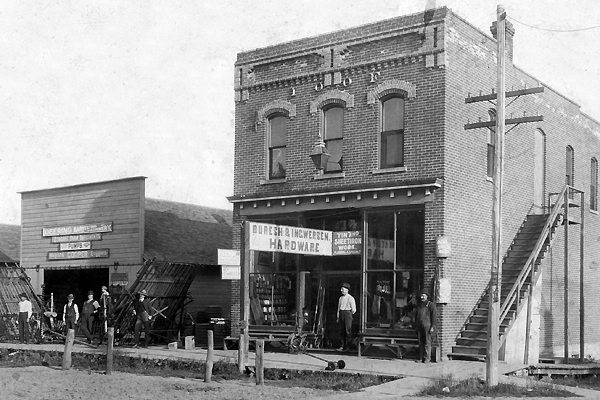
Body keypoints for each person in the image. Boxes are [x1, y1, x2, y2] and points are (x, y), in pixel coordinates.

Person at [415, 291, 437, 363]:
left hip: (427, 326)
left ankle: (427, 358)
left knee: (427, 342)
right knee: (420, 342)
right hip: (419, 326)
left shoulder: (431, 305)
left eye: (423, 296)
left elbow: (434, 316)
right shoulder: (419, 305)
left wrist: (433, 326)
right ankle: (421, 358)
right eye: (421, 296)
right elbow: (416, 316)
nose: (422, 297)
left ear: (427, 296)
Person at [336, 282, 356, 352]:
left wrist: (349, 314)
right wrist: (338, 316)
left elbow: (354, 310)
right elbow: (338, 308)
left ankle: (348, 346)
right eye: (341, 289)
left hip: (348, 313)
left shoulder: (351, 298)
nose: (341, 290)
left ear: (347, 290)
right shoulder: (340, 298)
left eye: (343, 289)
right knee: (342, 330)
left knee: (348, 330)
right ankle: (342, 346)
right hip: (342, 313)